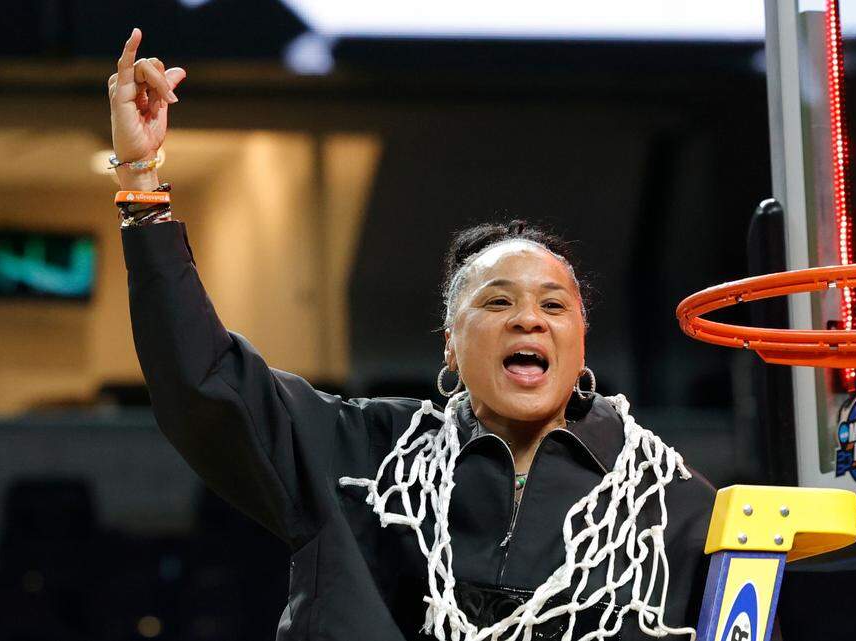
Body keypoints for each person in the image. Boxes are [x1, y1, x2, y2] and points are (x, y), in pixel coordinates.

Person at [108, 27, 715, 641]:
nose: (528, 318)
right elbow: (205, 380)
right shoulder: (363, 454)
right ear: (450, 343)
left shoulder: (667, 499)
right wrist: (141, 185)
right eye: (498, 301)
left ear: (581, 340)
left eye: (553, 305)